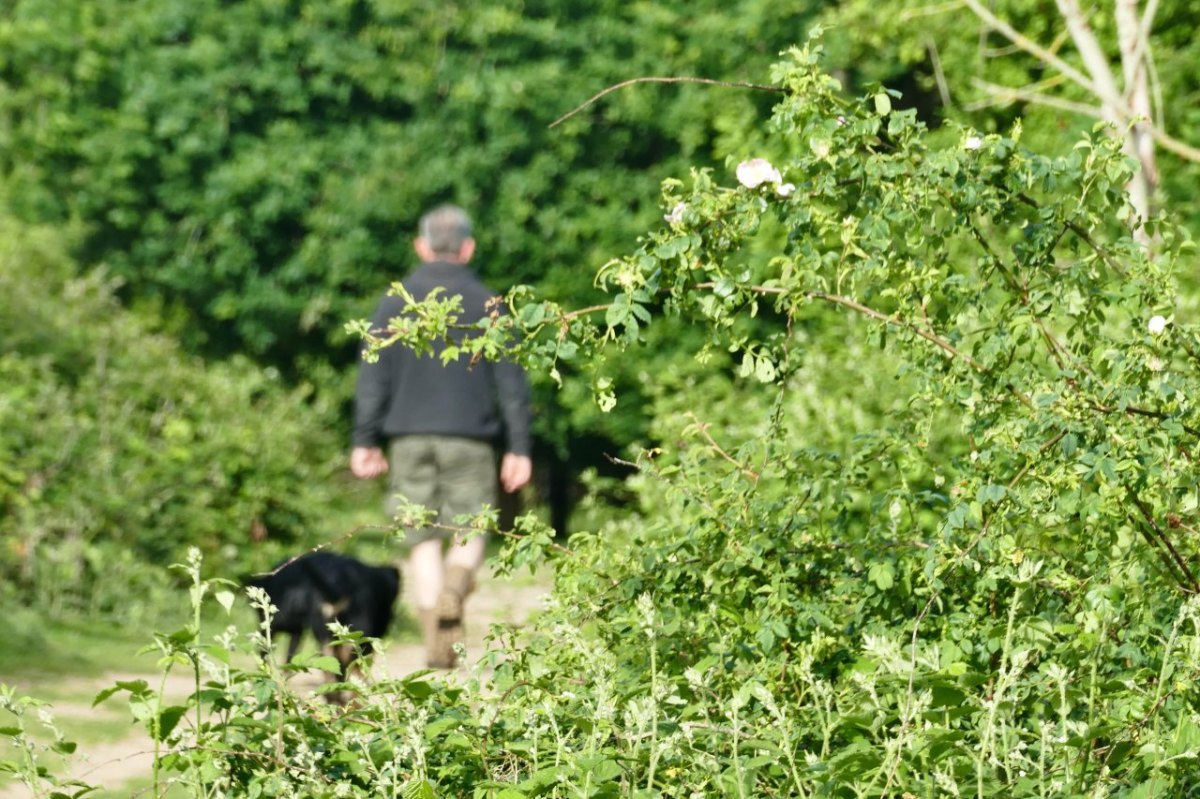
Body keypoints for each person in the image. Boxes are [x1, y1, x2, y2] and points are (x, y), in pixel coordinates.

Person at [350, 204, 532, 668]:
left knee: (421, 536)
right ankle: (457, 588)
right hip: (471, 439)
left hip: (408, 438)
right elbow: (512, 385)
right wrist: (519, 449)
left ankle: (439, 639)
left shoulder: (394, 303)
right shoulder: (490, 304)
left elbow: (372, 378)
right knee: (471, 526)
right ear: (468, 248)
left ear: (421, 245)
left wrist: (364, 439)